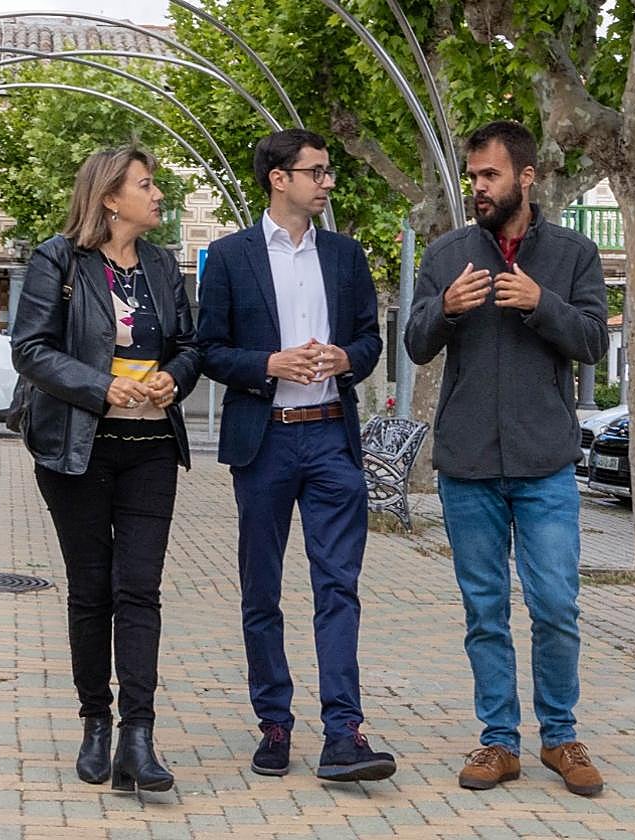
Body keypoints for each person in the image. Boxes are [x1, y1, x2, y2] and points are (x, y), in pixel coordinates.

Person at [404, 121, 609, 796]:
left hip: (545, 461)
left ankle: (561, 736)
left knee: (555, 604)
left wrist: (539, 302)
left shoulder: (575, 254)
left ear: (526, 177)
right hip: (467, 465)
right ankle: (498, 741)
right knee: (484, 609)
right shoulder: (447, 254)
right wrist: (447, 308)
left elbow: (592, 343)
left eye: (490, 176)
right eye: (472, 177)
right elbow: (414, 343)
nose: (478, 188)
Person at [197, 128, 393, 783]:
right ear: (279, 178)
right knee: (262, 589)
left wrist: (345, 359)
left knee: (338, 587)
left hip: (332, 438)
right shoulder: (228, 257)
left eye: (328, 171)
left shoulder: (345, 255)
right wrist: (269, 363)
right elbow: (209, 349)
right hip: (265, 440)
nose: (327, 182)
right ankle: (274, 725)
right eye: (316, 171)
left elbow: (370, 340)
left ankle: (345, 733)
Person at [11, 146, 200, 793]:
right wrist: (101, 387)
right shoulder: (57, 259)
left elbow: (189, 344)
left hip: (150, 449)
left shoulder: (161, 264)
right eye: (146, 186)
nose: (157, 196)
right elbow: (29, 350)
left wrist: (174, 378)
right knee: (92, 590)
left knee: (138, 588)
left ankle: (137, 738)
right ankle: (95, 720)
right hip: (77, 450)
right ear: (110, 198)